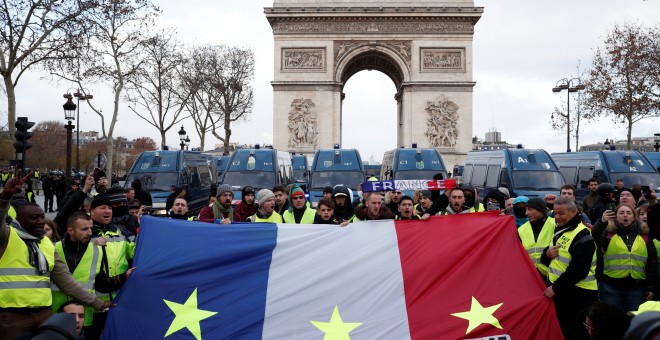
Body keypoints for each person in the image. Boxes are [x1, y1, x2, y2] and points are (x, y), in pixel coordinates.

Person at [0, 175, 110, 339]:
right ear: (19, 220)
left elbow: (67, 281)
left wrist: (98, 303)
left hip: (44, 314)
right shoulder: (6, 236)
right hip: (12, 318)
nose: (40, 222)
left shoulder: (46, 243)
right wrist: (5, 197)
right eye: (33, 218)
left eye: (41, 217)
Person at [52, 212, 135, 335]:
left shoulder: (96, 250)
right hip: (58, 315)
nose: (90, 233)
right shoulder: (53, 249)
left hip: (85, 317)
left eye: (91, 228)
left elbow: (101, 281)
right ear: (70, 230)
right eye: (84, 229)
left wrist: (123, 277)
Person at [541, 197, 598, 340]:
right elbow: (553, 260)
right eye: (555, 213)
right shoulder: (561, 230)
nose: (557, 217)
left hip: (579, 294)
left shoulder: (583, 235)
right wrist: (547, 255)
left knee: (577, 333)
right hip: (564, 293)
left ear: (573, 212)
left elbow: (579, 270)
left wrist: (555, 288)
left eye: (561, 213)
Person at [86, 194, 136, 339]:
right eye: (102, 208)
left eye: (109, 208)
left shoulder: (121, 232)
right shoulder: (84, 231)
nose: (107, 211)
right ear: (92, 211)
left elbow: (137, 251)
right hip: (93, 305)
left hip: (118, 301)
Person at [592, 203, 657, 312]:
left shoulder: (645, 238)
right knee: (612, 321)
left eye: (628, 213)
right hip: (610, 288)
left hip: (636, 289)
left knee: (634, 322)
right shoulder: (608, 235)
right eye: (621, 213)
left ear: (634, 217)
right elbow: (595, 235)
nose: (625, 216)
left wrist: (651, 288)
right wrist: (602, 221)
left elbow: (652, 264)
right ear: (616, 217)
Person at [518, 198, 554, 283]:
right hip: (530, 278)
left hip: (552, 277)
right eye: (526, 210)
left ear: (540, 210)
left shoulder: (555, 224)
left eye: (530, 209)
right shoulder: (521, 230)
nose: (526, 213)